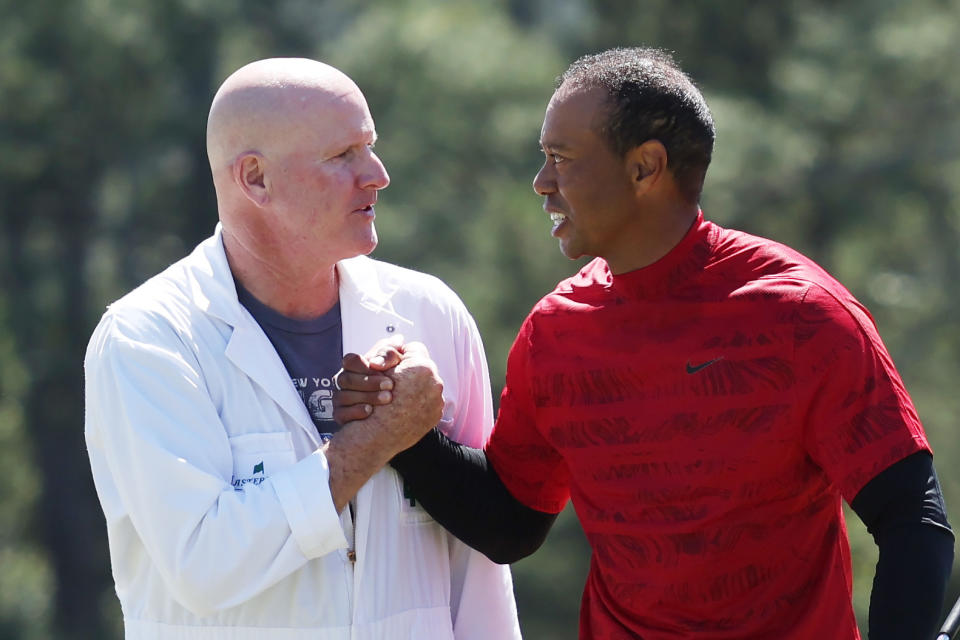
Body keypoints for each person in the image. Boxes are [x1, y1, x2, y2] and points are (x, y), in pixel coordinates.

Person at [334, 47, 954, 639]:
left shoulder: (802, 316)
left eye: (563, 157)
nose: (541, 182)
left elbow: (912, 523)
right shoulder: (557, 331)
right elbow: (511, 521)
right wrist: (406, 434)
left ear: (645, 168)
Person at [83, 57, 521, 639]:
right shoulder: (148, 339)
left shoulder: (429, 314)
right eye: (344, 156)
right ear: (255, 179)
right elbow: (203, 565)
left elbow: (479, 576)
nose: (378, 174)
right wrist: (378, 439)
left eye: (370, 146)